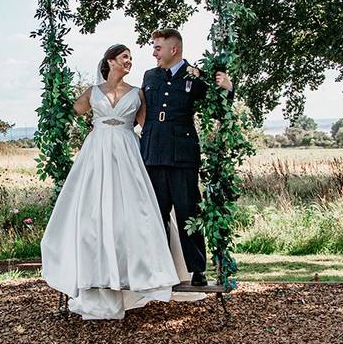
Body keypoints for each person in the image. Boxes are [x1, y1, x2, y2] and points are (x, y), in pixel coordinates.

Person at [40, 44, 183, 320]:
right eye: (124, 57)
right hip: (97, 154)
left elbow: (147, 124)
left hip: (128, 151)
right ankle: (95, 276)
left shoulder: (136, 93)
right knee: (92, 214)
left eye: (130, 58)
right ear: (110, 61)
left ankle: (135, 276)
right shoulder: (93, 93)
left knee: (131, 215)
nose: (129, 61)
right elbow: (71, 112)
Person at [139, 28, 233, 286]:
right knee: (155, 216)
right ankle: (159, 270)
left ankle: (197, 270)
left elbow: (218, 109)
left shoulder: (196, 76)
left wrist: (228, 88)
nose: (154, 52)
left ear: (174, 49)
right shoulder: (150, 76)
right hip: (152, 153)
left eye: (158, 48)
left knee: (187, 212)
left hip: (183, 155)